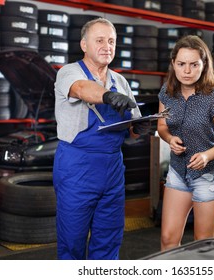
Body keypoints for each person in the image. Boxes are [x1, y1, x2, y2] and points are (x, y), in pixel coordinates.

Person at [53, 17, 152, 260]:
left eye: (111, 41)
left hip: (112, 167)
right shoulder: (69, 72)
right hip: (77, 166)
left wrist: (139, 127)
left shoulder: (121, 81)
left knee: (109, 236)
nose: (107, 46)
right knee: (72, 239)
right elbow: (81, 89)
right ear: (84, 45)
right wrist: (107, 96)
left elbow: (131, 126)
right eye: (100, 40)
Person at [157, 35, 214, 251]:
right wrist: (169, 138)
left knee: (204, 245)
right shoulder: (167, 91)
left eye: (194, 64)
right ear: (174, 64)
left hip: (209, 174)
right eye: (181, 64)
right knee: (168, 240)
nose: (187, 70)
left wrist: (206, 155)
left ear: (204, 65)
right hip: (177, 170)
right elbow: (162, 126)